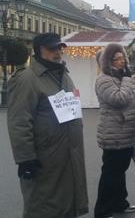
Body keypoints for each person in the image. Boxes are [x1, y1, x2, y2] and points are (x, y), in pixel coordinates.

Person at [7, 33, 89, 217]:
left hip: (68, 153)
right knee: (44, 205)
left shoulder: (63, 75)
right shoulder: (27, 79)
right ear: (38, 51)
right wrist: (26, 159)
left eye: (60, 47)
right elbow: (19, 121)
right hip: (45, 157)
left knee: (67, 202)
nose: (58, 52)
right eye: (52, 48)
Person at [94, 43, 135, 218]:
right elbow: (119, 99)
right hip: (113, 134)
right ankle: (102, 210)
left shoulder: (121, 77)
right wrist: (128, 81)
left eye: (123, 57)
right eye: (117, 59)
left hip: (126, 132)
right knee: (110, 173)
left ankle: (119, 202)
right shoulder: (104, 79)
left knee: (119, 171)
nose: (122, 61)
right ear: (109, 61)